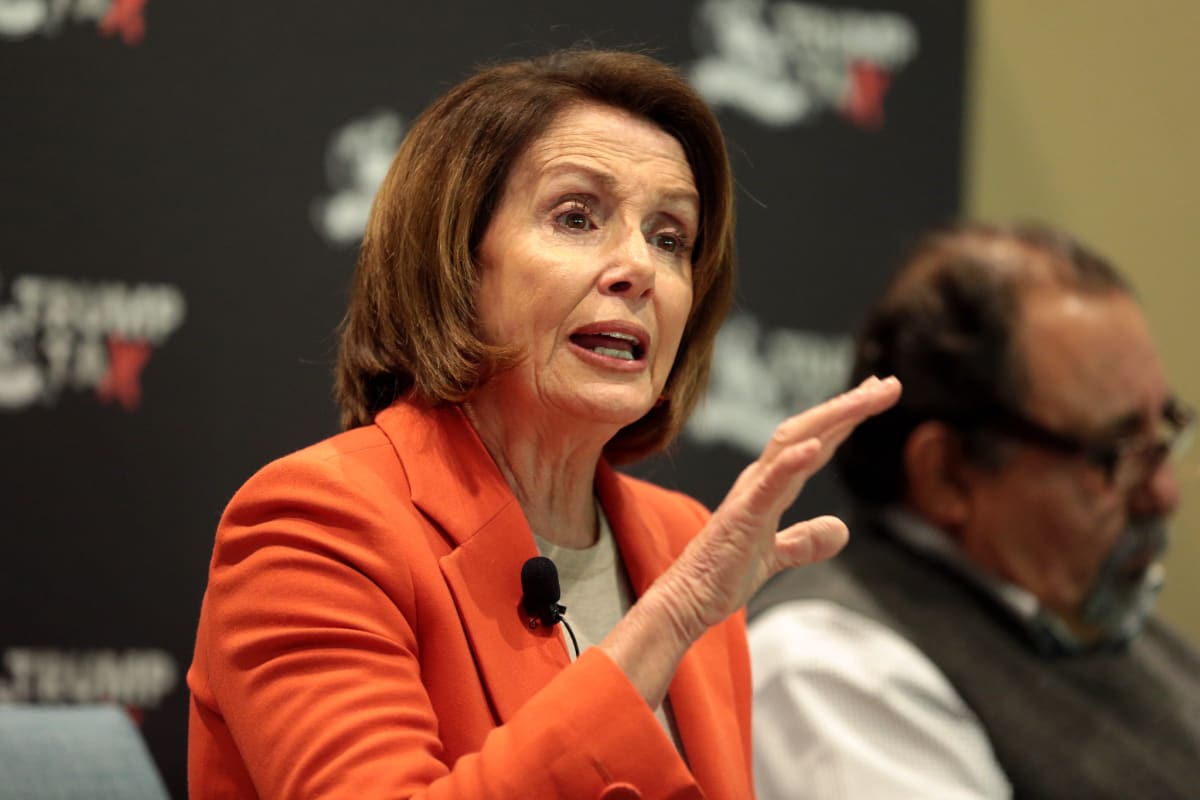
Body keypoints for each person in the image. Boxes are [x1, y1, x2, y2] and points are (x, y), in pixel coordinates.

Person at [186, 48, 901, 799]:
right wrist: (675, 615)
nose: (639, 269)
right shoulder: (318, 525)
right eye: (576, 218)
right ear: (456, 258)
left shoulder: (682, 539)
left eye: (670, 238)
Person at [749, 221, 1200, 800]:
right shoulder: (831, 669)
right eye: (1117, 453)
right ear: (948, 474)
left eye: (1163, 433)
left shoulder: (1118, 633)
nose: (1163, 493)